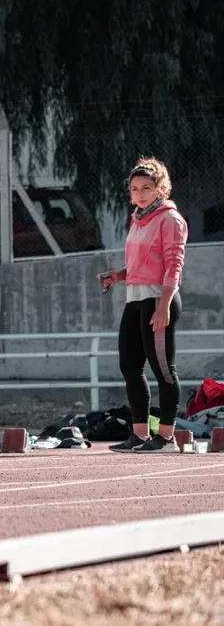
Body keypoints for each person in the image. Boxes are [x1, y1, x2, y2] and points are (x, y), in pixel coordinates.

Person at [99, 157, 188, 453]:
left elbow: (174, 265)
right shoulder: (137, 218)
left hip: (158, 300)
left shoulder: (170, 219)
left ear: (160, 187)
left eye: (146, 188)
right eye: (134, 189)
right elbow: (140, 264)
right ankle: (139, 435)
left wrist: (163, 306)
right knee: (130, 366)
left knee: (163, 369)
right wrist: (118, 276)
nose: (139, 194)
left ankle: (166, 438)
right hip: (135, 299)